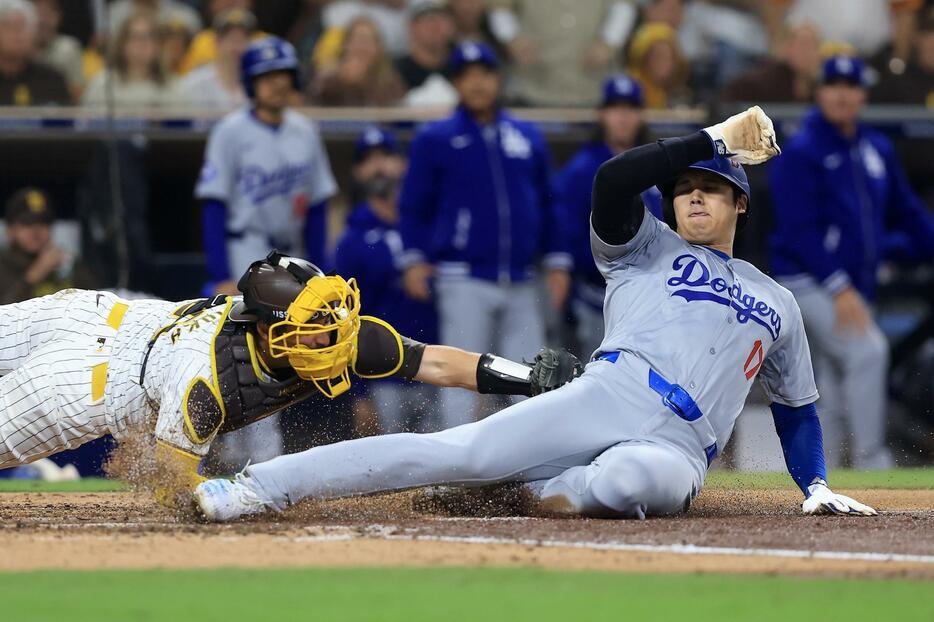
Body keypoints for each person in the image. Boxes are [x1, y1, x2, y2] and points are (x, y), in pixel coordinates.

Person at [194, 106, 879, 523]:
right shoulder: (645, 245)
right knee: (456, 452)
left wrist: (814, 483)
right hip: (609, 392)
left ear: (740, 205)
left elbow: (797, 408)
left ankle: (531, 487)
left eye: (712, 190)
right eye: (685, 190)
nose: (694, 198)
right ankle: (258, 487)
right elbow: (613, 180)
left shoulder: (778, 300)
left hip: (679, 448)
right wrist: (708, 140)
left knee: (628, 482)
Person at [0, 251, 579, 506]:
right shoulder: (208, 384)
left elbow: (436, 362)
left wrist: (527, 377)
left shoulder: (336, 338)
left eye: (329, 318)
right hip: (87, 381)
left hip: (100, 312)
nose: (334, 336)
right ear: (269, 332)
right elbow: (171, 484)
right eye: (313, 327)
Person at [768, 55, 934, 469]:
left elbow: (907, 210)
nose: (842, 93)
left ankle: (825, 476)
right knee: (868, 353)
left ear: (862, 94)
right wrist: (838, 286)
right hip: (805, 281)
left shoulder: (875, 147)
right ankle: (870, 458)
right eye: (833, 85)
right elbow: (798, 232)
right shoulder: (802, 149)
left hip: (855, 284)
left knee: (832, 382)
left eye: (850, 85)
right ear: (820, 92)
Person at [398, 41, 571, 429]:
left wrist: (558, 260)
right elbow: (413, 205)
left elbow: (550, 202)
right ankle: (453, 472)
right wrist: (413, 258)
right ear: (457, 83)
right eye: (467, 75)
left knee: (531, 379)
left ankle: (529, 470)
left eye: (484, 74)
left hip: (523, 278)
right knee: (458, 377)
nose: (477, 83)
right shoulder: (435, 138)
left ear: (497, 79)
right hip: (463, 277)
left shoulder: (526, 135)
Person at [197, 36, 336, 296]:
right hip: (246, 250)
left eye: (284, 74)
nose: (279, 83)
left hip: (294, 254)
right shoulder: (229, 131)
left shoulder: (306, 131)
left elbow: (317, 206)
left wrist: (322, 271)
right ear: (252, 83)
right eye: (268, 76)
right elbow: (214, 205)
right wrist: (221, 275)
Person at [334, 127, 441, 434]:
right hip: (384, 378)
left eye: (386, 156)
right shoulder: (351, 240)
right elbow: (344, 320)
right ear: (357, 172)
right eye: (368, 160)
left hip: (440, 369)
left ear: (403, 164)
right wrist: (358, 396)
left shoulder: (431, 227)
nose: (378, 165)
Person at [554, 75, 660, 361]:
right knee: (601, 382)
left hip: (654, 300)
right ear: (602, 114)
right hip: (600, 298)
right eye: (615, 109)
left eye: (630, 109)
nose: (623, 117)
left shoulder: (656, 166)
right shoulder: (582, 170)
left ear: (641, 115)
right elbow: (568, 234)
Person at [487, 0, 637, 106]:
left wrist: (609, 42)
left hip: (593, 86)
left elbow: (623, 5)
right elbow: (499, 8)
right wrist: (513, 39)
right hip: (535, 84)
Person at [0, 188, 96, 305]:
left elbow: (96, 306)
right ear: (10, 230)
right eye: (27, 222)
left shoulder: (67, 263)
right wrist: (33, 276)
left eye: (44, 222)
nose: (36, 231)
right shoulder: (3, 265)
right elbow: (5, 315)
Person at [82, 11, 180, 108]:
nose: (142, 43)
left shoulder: (173, 85)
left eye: (149, 37)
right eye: (135, 37)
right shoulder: (103, 83)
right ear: (122, 43)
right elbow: (86, 120)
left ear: (159, 45)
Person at [308, 15, 405, 107]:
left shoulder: (390, 79)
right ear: (345, 45)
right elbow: (312, 107)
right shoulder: (328, 77)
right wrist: (342, 81)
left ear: (378, 48)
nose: (362, 47)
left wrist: (364, 83)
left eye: (368, 41)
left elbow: (395, 114)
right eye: (358, 39)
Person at [722, 20, 821, 104]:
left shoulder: (820, 89)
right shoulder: (764, 81)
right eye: (801, 44)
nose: (806, 52)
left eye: (812, 46)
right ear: (786, 47)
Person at [177, 7, 255, 110]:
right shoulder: (196, 82)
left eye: (242, 39)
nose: (236, 47)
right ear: (217, 41)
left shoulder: (257, 81)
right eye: (231, 39)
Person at [0, 0, 69, 106]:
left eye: (23, 26)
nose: (17, 33)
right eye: (8, 26)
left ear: (34, 33)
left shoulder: (52, 80)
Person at [627, 21, 691, 109]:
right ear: (644, 60)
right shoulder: (628, 95)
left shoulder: (686, 97)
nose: (661, 64)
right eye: (657, 57)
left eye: (669, 58)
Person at [32, 0, 84, 99]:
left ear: (58, 17)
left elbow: (77, 93)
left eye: (48, 12)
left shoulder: (69, 48)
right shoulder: (17, 47)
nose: (42, 19)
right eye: (38, 11)